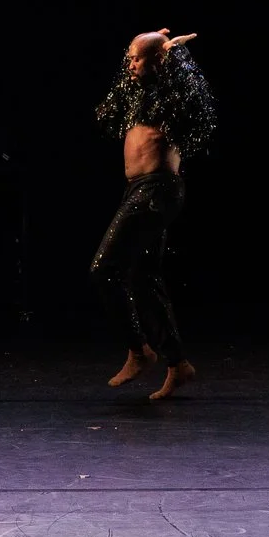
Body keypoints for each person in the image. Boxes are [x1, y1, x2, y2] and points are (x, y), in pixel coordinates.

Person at [91, 28, 217, 400]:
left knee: (103, 270)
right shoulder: (138, 94)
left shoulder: (175, 96)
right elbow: (108, 110)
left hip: (158, 190)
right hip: (139, 190)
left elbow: (199, 103)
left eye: (136, 58)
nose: (129, 65)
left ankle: (139, 349)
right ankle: (178, 364)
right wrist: (144, 52)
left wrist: (173, 57)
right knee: (145, 277)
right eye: (129, 57)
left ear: (159, 62)